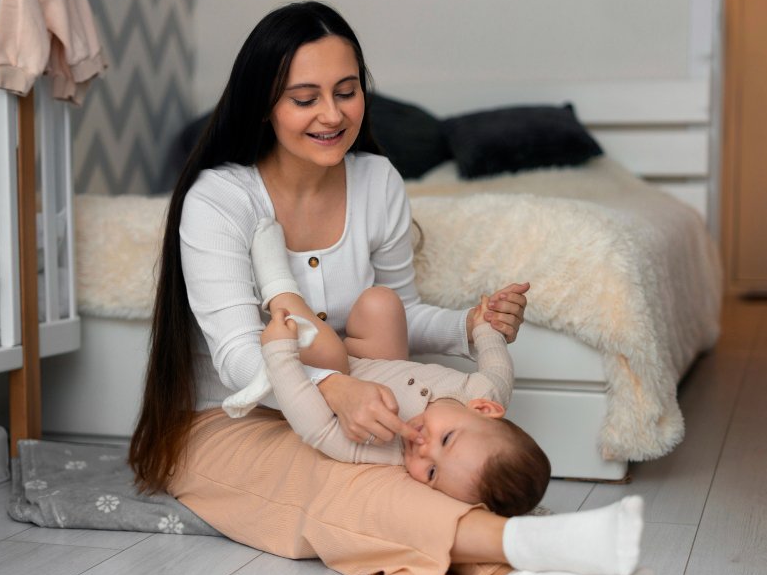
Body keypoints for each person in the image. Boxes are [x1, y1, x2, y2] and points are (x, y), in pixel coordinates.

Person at [128, 0, 657, 575]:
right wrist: (335, 390)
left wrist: (470, 324)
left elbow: (396, 312)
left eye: (347, 92)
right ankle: (529, 544)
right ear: (262, 103)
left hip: (346, 414)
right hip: (231, 423)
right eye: (305, 98)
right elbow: (242, 357)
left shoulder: (376, 180)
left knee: (409, 466)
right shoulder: (219, 200)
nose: (333, 114)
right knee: (341, 484)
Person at [224, 217, 550, 516]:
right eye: (447, 439)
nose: (423, 449)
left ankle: (276, 283)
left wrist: (280, 355)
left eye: (432, 473)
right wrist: (485, 322)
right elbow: (496, 361)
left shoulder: (384, 447)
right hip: (376, 358)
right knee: (381, 303)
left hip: (324, 376)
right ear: (484, 408)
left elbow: (317, 430)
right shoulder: (486, 389)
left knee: (328, 352)